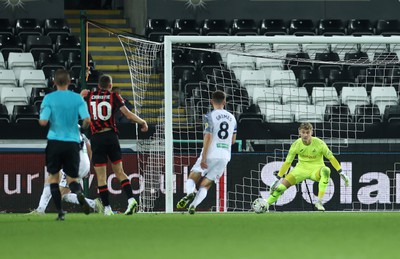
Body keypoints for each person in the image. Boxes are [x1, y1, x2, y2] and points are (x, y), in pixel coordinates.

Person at [81, 74, 148, 216]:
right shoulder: (114, 97)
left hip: (97, 138)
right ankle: (130, 200)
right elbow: (128, 115)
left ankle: (107, 209)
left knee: (101, 177)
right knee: (119, 171)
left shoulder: (89, 96)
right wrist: (142, 122)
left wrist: (80, 95)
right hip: (111, 137)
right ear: (110, 86)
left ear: (98, 85)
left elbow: (76, 107)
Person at [39, 68, 92, 221]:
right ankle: (80, 194)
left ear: (54, 82)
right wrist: (83, 128)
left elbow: (43, 121)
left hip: (55, 142)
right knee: (72, 180)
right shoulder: (77, 99)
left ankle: (60, 212)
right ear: (69, 82)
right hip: (73, 144)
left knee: (53, 179)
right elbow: (87, 121)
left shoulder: (49, 98)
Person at [262, 122, 350, 212]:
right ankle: (266, 205)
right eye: (303, 132)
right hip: (300, 170)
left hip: (316, 170)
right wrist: (277, 178)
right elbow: (288, 162)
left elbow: (331, 158)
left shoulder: (320, 143)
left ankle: (319, 202)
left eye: (307, 132)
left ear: (311, 132)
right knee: (280, 188)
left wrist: (341, 172)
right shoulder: (296, 144)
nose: (305, 135)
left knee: (326, 170)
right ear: (299, 132)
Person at [176, 90, 237, 214]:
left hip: (210, 152)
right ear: (224, 102)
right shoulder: (232, 118)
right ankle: (193, 206)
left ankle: (190, 193)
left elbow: (208, 136)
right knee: (206, 185)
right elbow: (233, 140)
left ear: (211, 102)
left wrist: (204, 157)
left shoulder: (209, 116)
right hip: (225, 155)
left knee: (193, 175)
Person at [30, 133, 104, 215]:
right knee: (50, 179)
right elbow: (89, 148)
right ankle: (40, 209)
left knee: (61, 194)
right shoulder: (81, 134)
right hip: (84, 165)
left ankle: (93, 204)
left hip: (75, 165)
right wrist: (88, 165)